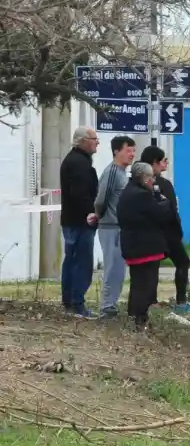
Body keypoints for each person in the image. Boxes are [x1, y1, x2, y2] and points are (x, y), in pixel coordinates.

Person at [139, 146, 190, 314]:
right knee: (183, 262)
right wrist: (177, 231)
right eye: (164, 160)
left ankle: (151, 301)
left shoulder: (138, 182)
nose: (166, 163)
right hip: (168, 234)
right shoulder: (163, 184)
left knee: (152, 267)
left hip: (150, 233)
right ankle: (181, 301)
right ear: (154, 163)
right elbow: (172, 209)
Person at [116, 162, 171, 331]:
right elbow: (159, 214)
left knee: (137, 283)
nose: (152, 181)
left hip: (133, 246)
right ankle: (140, 319)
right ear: (145, 178)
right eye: (150, 178)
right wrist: (165, 202)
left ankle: (134, 317)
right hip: (146, 247)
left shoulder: (127, 192)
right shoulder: (142, 195)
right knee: (146, 284)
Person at [58, 127, 101, 318]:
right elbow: (80, 194)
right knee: (80, 262)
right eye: (94, 139)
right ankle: (77, 303)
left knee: (72, 260)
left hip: (72, 219)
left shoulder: (76, 160)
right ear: (82, 141)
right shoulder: (79, 164)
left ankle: (70, 302)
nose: (97, 142)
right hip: (80, 221)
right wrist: (91, 214)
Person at [94, 135, 137, 316]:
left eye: (134, 151)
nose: (132, 154)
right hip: (111, 226)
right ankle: (106, 307)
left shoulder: (123, 173)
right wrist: (99, 215)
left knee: (119, 270)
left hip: (121, 227)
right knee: (113, 269)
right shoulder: (112, 172)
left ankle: (111, 304)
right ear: (116, 151)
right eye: (128, 150)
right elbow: (101, 199)